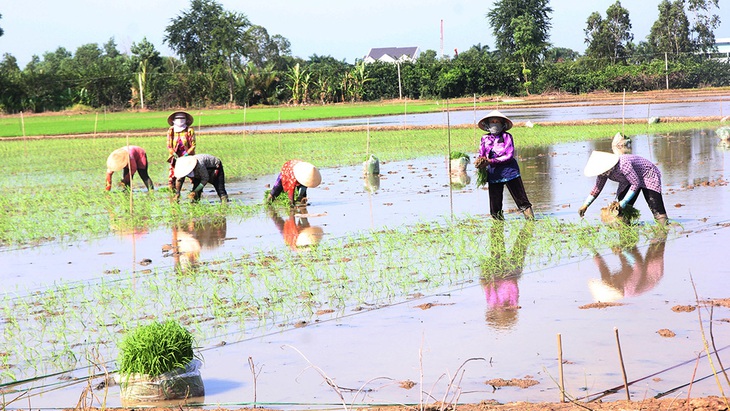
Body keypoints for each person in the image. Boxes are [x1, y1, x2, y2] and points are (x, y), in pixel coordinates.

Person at [579, 151, 668, 225]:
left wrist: (624, 202)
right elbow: (597, 188)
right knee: (620, 210)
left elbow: (635, 183)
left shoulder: (623, 164)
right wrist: (586, 205)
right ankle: (626, 230)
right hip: (628, 181)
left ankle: (663, 229)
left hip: (647, 174)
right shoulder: (603, 172)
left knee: (656, 207)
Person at [474, 110, 534, 220]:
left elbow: (509, 155)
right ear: (488, 124)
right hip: (494, 174)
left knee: (522, 200)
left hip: (510, 172)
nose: (495, 124)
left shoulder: (507, 137)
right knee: (495, 205)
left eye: (497, 122)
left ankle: (530, 221)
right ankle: (497, 225)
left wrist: (491, 161)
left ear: (502, 124)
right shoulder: (485, 138)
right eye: (492, 121)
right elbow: (481, 154)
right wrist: (480, 162)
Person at [166, 111, 196, 189]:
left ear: (186, 120)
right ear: (173, 120)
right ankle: (173, 195)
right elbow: (169, 145)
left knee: (192, 176)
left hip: (187, 156)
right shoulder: (171, 130)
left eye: (182, 118)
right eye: (177, 118)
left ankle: (195, 193)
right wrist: (173, 153)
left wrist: (187, 154)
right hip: (175, 157)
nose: (180, 120)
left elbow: (193, 145)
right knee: (172, 177)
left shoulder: (189, 130)